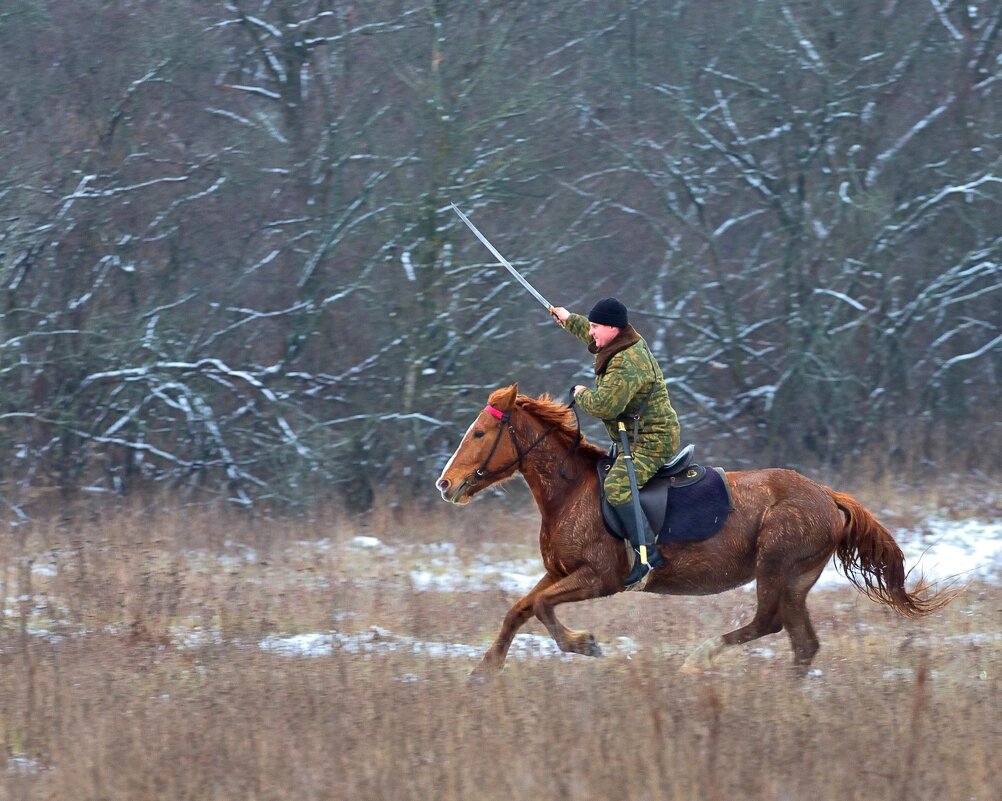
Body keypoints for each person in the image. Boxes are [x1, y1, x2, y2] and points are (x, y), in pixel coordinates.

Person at [549, 298, 680, 587]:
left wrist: (581, 393)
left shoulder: (626, 363)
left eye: (597, 326)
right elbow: (590, 332)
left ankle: (647, 554)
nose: (592, 332)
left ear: (612, 328)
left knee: (617, 487)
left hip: (651, 441)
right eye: (592, 325)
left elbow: (605, 406)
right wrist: (568, 318)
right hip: (632, 437)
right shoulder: (621, 339)